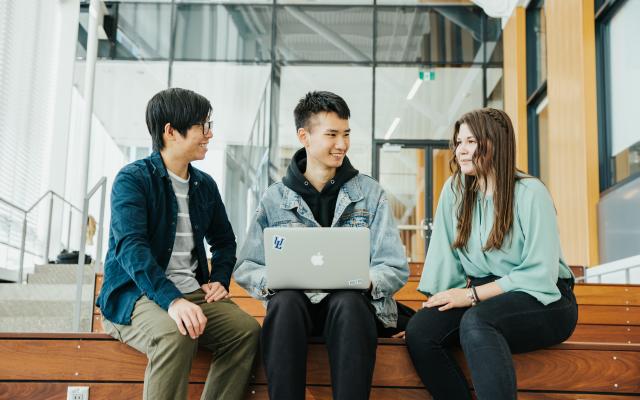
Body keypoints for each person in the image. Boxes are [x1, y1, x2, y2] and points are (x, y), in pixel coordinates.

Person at [234, 91, 408, 400]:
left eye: (346, 134)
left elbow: (393, 265)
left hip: (347, 312)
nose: (342, 144)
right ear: (305, 136)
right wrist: (272, 281)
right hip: (295, 312)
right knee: (284, 302)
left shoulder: (371, 194)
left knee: (351, 302)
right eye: (332, 135)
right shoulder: (275, 198)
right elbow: (247, 265)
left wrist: (366, 279)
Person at [96, 87, 260, 400]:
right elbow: (131, 248)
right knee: (176, 333)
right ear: (171, 131)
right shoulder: (132, 179)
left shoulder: (204, 185)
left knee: (245, 332)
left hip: (192, 293)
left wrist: (220, 279)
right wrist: (173, 301)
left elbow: (225, 240)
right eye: (202, 126)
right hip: (136, 294)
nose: (209, 135)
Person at [405, 108, 578, 400]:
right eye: (459, 142)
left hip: (545, 299)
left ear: (496, 142)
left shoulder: (530, 193)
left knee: (478, 321)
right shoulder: (455, 191)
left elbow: (540, 273)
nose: (461, 150)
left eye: (471, 142)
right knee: (421, 332)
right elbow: (445, 262)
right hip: (486, 296)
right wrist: (434, 310)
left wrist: (472, 296)